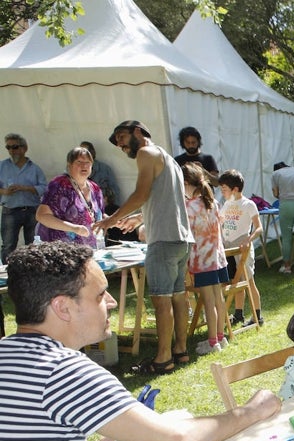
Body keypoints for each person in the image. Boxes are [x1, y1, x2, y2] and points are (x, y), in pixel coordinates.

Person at [0, 241, 281, 441]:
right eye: (98, 295)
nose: (110, 301)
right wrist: (253, 410)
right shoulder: (63, 370)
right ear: (63, 307)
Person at [94, 120, 195, 374]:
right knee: (177, 296)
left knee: (161, 300)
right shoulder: (168, 158)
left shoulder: (145, 153)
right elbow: (166, 197)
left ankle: (163, 358)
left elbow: (141, 193)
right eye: (118, 141)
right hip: (181, 239)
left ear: (138, 131)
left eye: (122, 136)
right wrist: (140, 217)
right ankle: (180, 351)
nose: (120, 144)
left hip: (163, 239)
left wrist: (111, 219)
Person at [183, 163, 229, 355]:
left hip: (202, 261)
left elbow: (187, 234)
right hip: (217, 259)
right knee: (218, 300)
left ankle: (212, 343)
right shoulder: (213, 203)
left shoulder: (189, 206)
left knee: (209, 302)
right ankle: (220, 337)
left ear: (185, 183)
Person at [218, 169, 263, 327]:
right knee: (235, 282)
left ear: (235, 189)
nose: (222, 192)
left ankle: (258, 316)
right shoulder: (227, 204)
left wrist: (248, 239)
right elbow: (220, 222)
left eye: (224, 189)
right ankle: (238, 315)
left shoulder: (248, 204)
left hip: (242, 248)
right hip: (227, 247)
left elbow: (259, 228)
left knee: (248, 281)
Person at [36, 147, 104, 248]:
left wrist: (113, 220)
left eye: (88, 162)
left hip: (88, 249)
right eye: (79, 162)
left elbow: (95, 215)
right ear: (69, 165)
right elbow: (42, 215)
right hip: (61, 249)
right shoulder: (60, 184)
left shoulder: (95, 188)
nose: (84, 165)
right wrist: (74, 228)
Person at [0, 133, 47, 263]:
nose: (11, 151)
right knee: (8, 245)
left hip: (31, 210)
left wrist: (25, 188)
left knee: (33, 245)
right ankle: (6, 275)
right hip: (10, 210)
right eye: (8, 147)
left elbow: (44, 188)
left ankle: (32, 273)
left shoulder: (34, 168)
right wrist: (5, 191)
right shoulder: (2, 166)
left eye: (14, 147)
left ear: (24, 148)